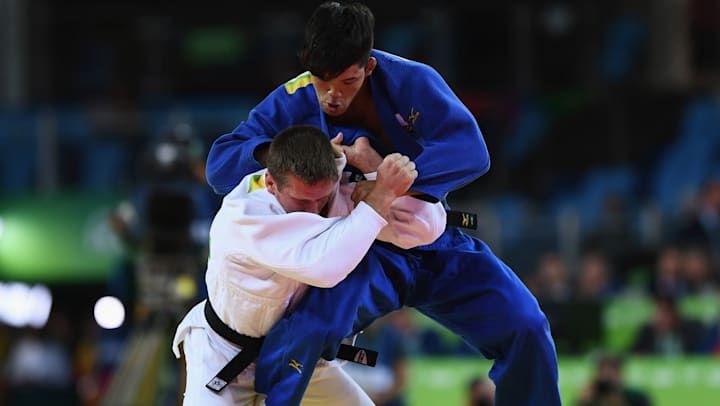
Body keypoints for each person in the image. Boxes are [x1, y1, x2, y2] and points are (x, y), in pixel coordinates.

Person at [205, 2, 560, 404]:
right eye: (322, 82)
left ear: (369, 66)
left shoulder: (411, 81)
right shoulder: (294, 98)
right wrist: (287, 154)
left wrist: (386, 180)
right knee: (305, 333)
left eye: (347, 81)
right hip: (361, 250)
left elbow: (471, 153)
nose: (332, 96)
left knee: (527, 325)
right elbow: (220, 166)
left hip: (431, 240)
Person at [172, 125, 447, 405]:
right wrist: (378, 198)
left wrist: (374, 171)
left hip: (296, 353)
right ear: (270, 183)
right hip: (224, 354)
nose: (314, 210)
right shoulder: (244, 214)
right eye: (302, 200)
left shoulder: (334, 185)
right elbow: (325, 268)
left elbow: (426, 229)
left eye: (322, 199)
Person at [576, 352, 652, 406]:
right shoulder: (591, 397)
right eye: (603, 372)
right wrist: (584, 401)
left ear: (621, 374)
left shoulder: (636, 397)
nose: (606, 378)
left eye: (611, 372)